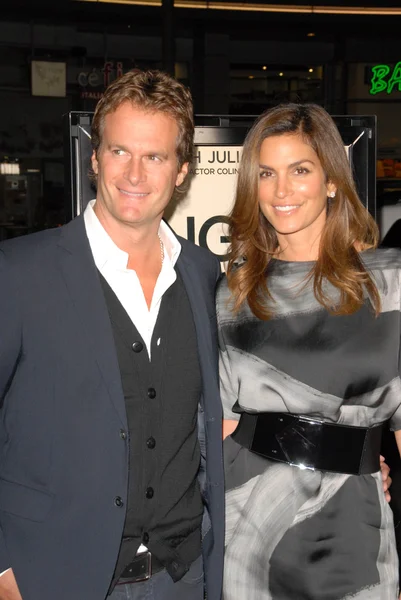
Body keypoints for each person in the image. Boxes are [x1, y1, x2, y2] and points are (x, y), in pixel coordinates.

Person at [0, 69, 224, 600]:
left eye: (155, 157)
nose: (134, 173)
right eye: (120, 151)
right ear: (94, 158)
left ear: (182, 171)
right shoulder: (18, 272)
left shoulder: (204, 274)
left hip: (183, 578)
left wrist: (344, 458)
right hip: (52, 575)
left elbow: (228, 413)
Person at [217, 102, 401, 599]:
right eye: (266, 173)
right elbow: (223, 429)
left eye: (300, 170)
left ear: (332, 180)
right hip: (249, 522)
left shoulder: (391, 282)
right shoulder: (234, 293)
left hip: (358, 522)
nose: (281, 191)